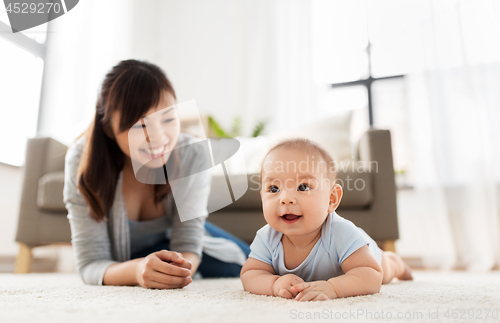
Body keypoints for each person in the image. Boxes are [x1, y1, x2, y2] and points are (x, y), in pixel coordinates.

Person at [63, 59, 250, 289]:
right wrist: (138, 270)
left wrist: (176, 271)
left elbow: (189, 243)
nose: (159, 137)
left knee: (260, 267)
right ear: (109, 127)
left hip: (186, 246)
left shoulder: (191, 154)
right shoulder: (83, 160)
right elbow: (91, 264)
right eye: (141, 125)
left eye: (169, 119)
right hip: (131, 261)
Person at [240, 138, 413, 301]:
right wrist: (273, 284)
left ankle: (396, 262)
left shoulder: (341, 233)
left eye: (303, 187)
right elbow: (250, 274)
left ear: (331, 199)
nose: (285, 198)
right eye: (274, 188)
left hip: (363, 252)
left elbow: (371, 275)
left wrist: (333, 288)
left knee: (386, 269)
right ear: (262, 195)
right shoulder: (267, 238)